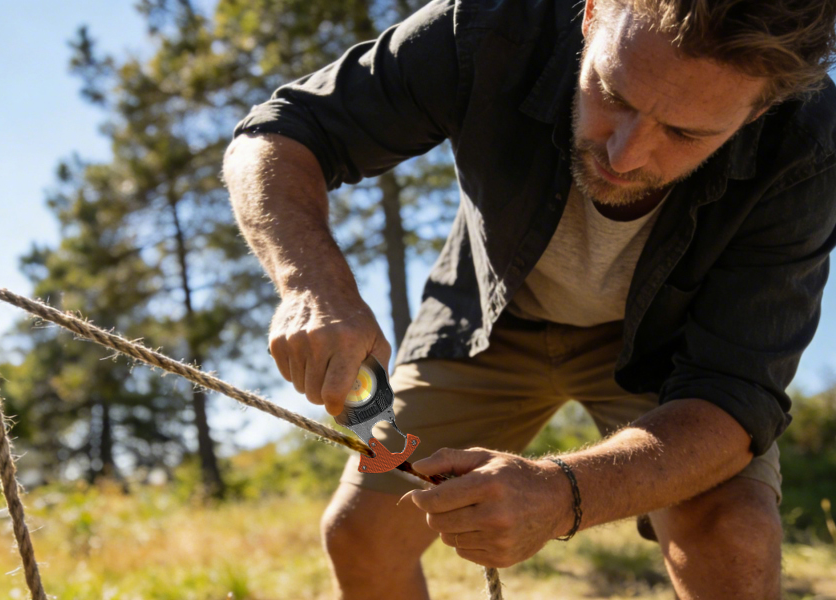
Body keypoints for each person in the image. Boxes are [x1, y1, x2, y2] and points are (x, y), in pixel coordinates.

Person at [223, 0, 836, 597]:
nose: (624, 155)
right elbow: (280, 131)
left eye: (683, 132)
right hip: (485, 323)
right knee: (361, 533)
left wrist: (562, 492)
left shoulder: (809, 147)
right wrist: (312, 283)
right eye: (612, 94)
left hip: (668, 354)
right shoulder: (489, 26)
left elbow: (734, 395)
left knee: (733, 534)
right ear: (592, 14)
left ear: (761, 108)